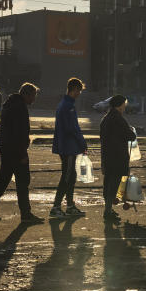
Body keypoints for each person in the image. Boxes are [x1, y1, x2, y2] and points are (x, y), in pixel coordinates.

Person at [0, 83, 43, 224]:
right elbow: (19, 133)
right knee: (22, 182)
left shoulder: (10, 104)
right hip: (16, 151)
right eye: (33, 96)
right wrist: (22, 154)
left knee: (2, 180)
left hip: (6, 148)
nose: (34, 99)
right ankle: (26, 214)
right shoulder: (19, 107)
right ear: (26, 94)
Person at [51, 77, 87, 218]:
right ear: (74, 89)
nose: (79, 93)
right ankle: (56, 206)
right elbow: (72, 128)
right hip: (68, 147)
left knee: (71, 176)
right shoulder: (67, 106)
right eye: (79, 91)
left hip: (67, 146)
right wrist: (82, 143)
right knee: (67, 176)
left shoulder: (66, 104)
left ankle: (70, 205)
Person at [99, 95, 137, 222]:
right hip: (118, 157)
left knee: (108, 184)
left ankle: (108, 209)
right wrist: (131, 130)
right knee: (114, 185)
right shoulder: (118, 119)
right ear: (120, 105)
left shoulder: (105, 119)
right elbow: (130, 136)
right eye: (124, 105)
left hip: (107, 157)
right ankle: (108, 212)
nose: (125, 107)